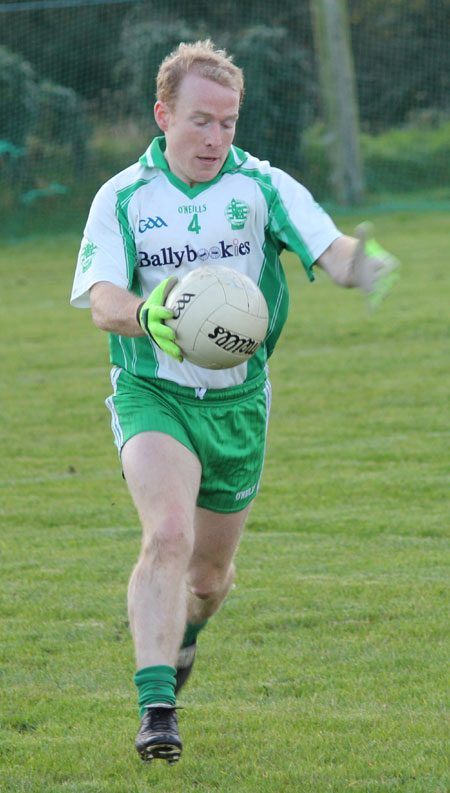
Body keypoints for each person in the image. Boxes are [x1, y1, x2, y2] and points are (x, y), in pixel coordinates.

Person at [70, 39, 398, 765]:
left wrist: (361, 265)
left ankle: (186, 634)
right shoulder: (123, 197)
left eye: (229, 122)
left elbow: (330, 247)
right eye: (200, 121)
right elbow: (102, 299)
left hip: (239, 405)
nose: (215, 137)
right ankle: (157, 707)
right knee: (167, 534)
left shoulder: (262, 186)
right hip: (152, 390)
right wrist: (146, 316)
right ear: (163, 115)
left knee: (210, 579)